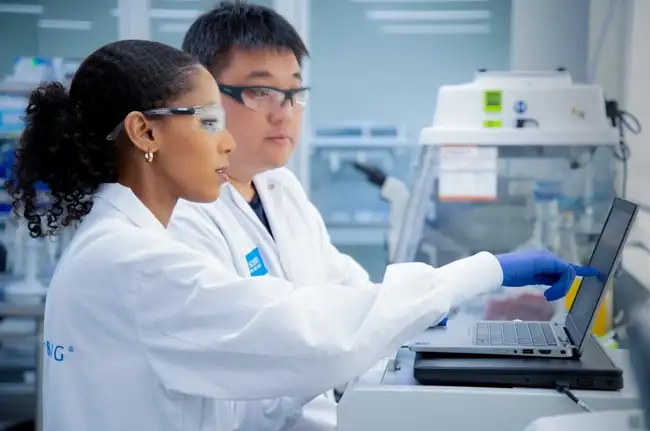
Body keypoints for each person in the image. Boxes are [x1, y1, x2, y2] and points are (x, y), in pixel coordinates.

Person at [6, 39, 595, 431]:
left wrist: (416, 320)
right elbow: (310, 333)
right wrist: (484, 270)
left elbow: (271, 353)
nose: (228, 141)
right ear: (144, 133)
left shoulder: (120, 246)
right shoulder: (133, 265)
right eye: (209, 122)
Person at [167, 3, 598, 430]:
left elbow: (346, 287)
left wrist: (429, 311)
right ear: (204, 97)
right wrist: (479, 273)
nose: (284, 111)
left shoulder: (282, 190)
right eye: (260, 91)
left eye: (295, 92)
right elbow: (290, 349)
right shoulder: (183, 221)